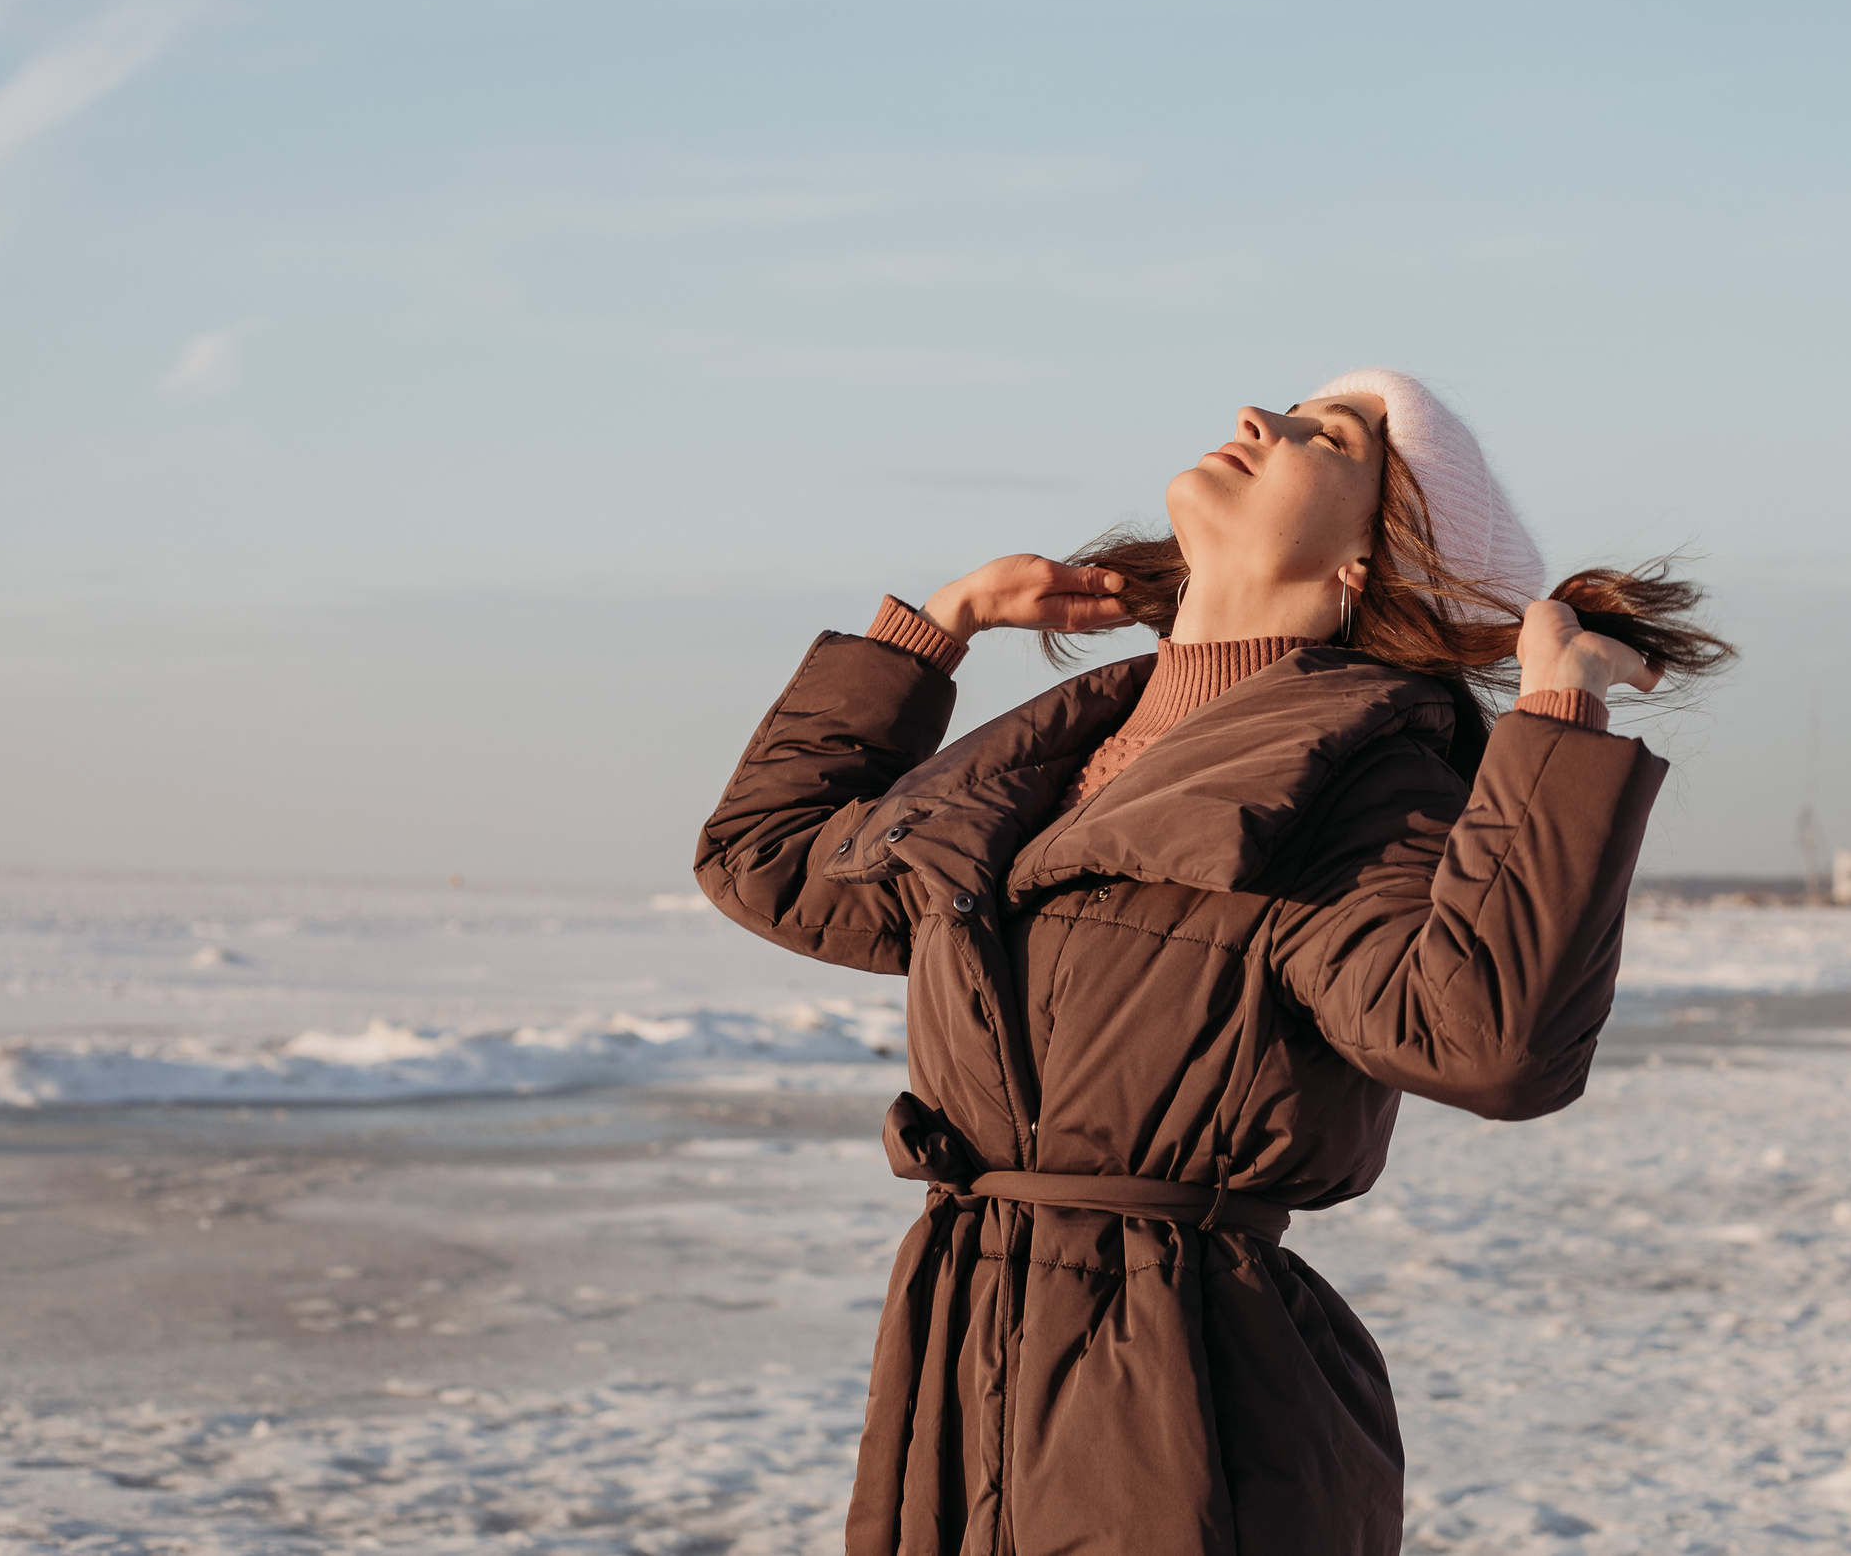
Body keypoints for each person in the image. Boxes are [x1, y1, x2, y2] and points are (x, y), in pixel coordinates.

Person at [695, 368, 1733, 1556]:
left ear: (1369, 563)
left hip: (1182, 1400)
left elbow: (1488, 1041)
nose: (1259, 417)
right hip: (958, 1365)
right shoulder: (1058, 752)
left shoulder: (1362, 777)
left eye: (1326, 437)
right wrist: (934, 634)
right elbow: (765, 863)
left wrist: (1556, 717)